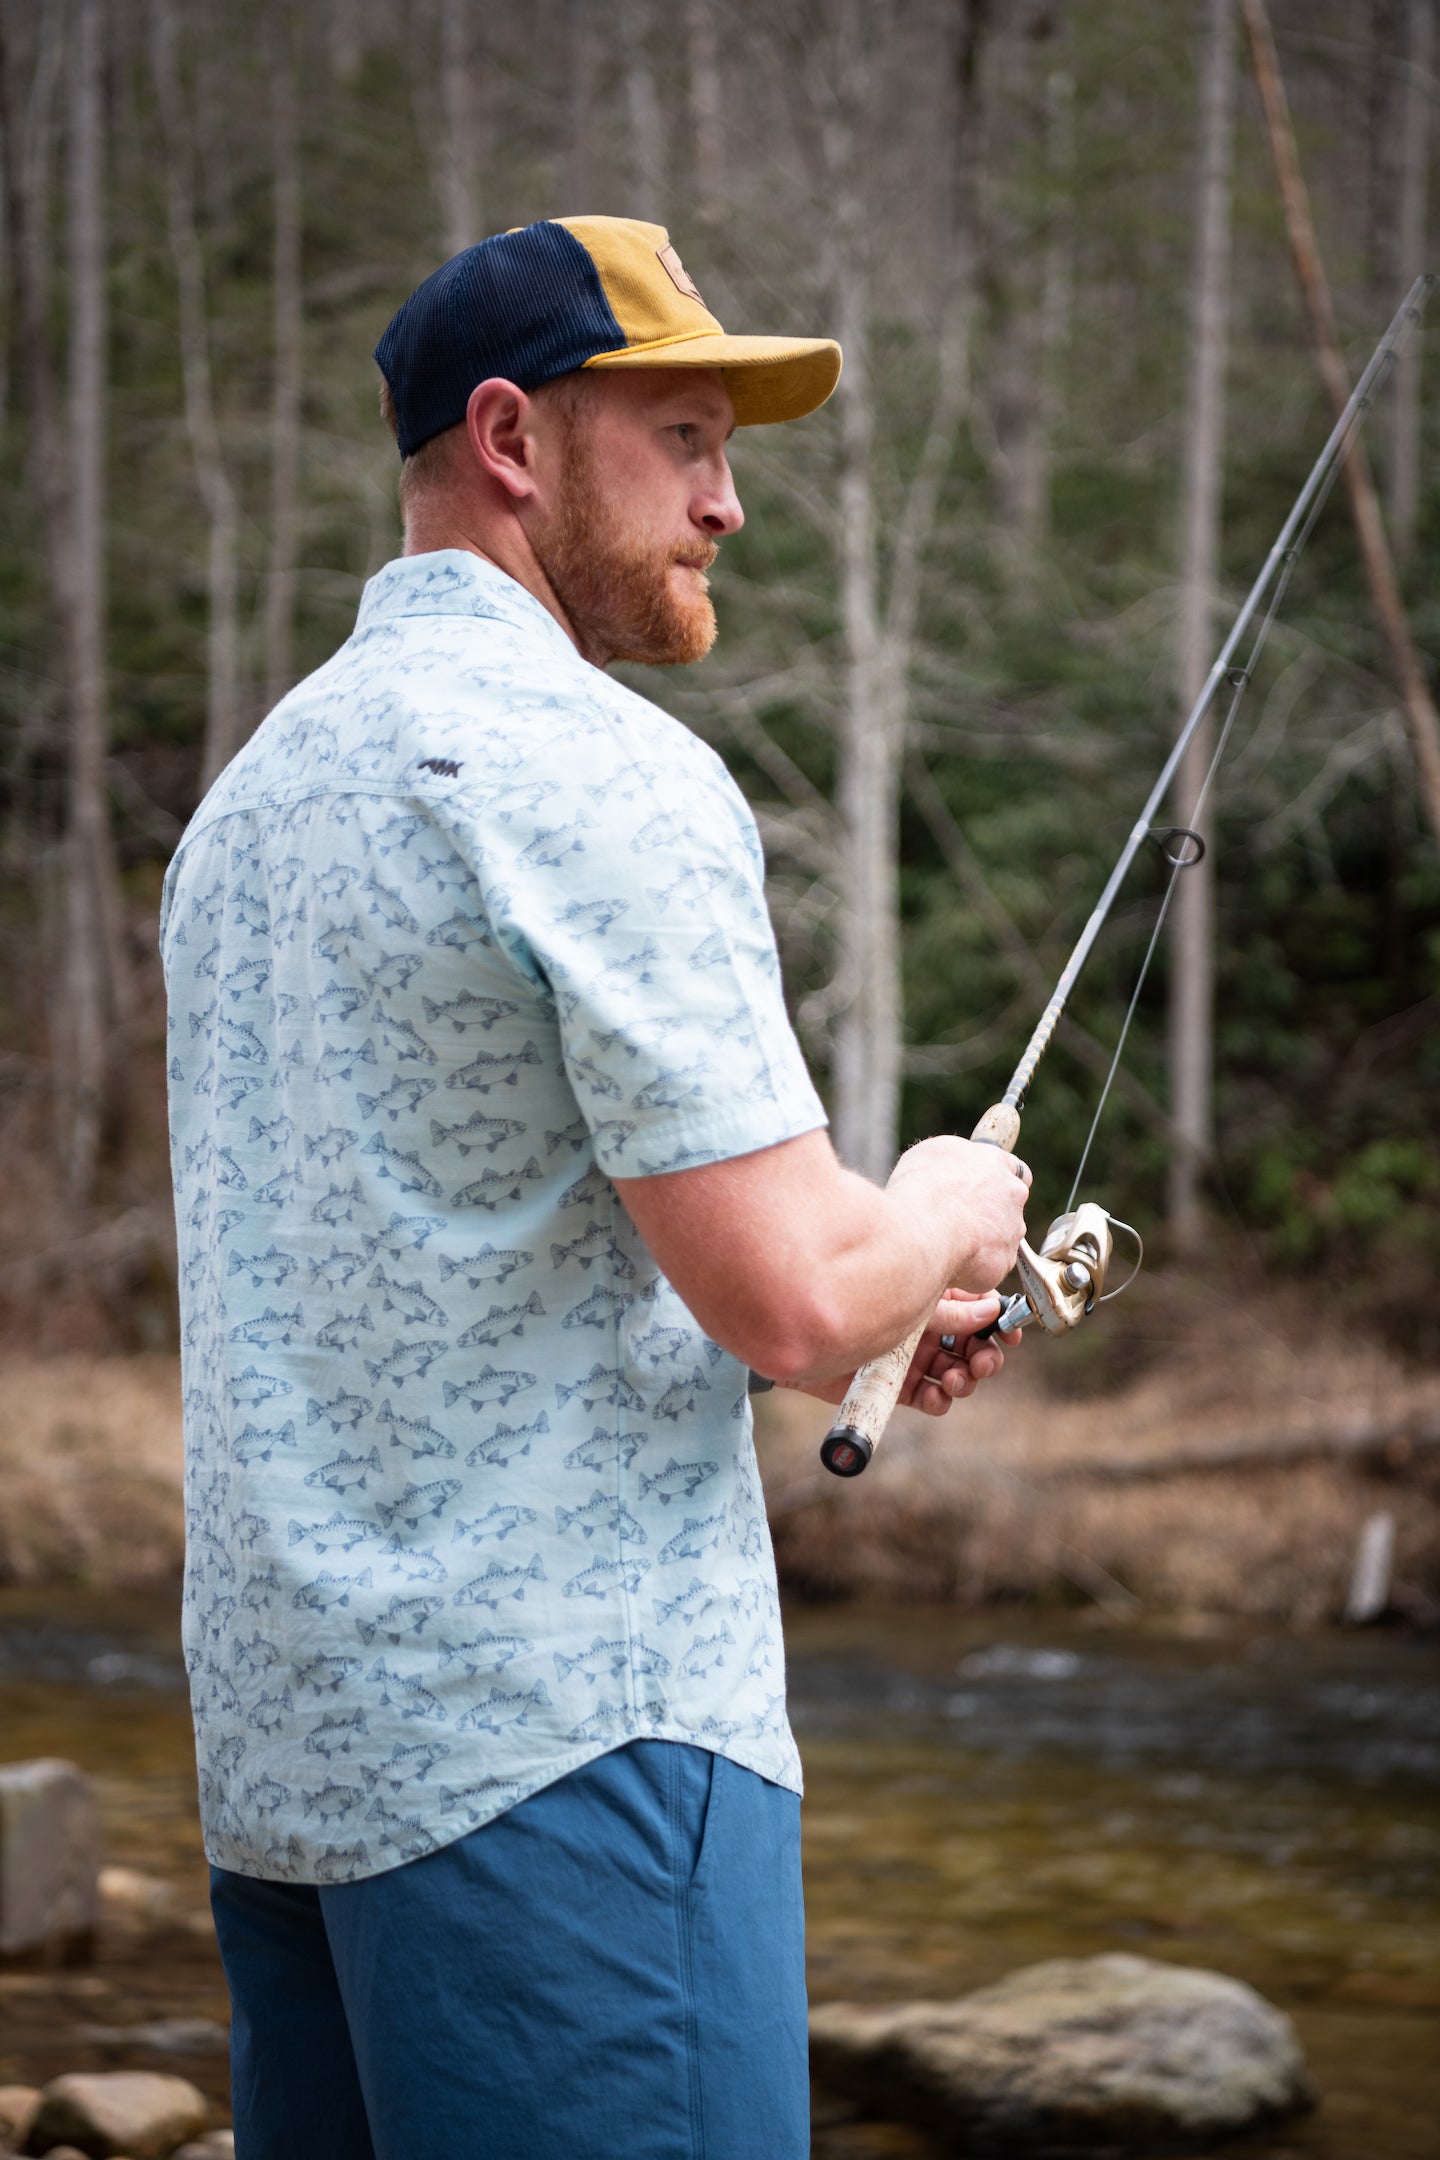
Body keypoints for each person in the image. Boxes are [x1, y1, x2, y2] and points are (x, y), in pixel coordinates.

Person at [161, 215, 1028, 2160]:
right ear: (512, 441)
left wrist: (867, 1308)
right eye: (688, 442)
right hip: (579, 1762)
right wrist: (950, 1211)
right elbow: (801, 1290)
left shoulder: (245, 810)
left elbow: (464, 1252)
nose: (728, 507)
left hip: (295, 1780)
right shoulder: (598, 774)